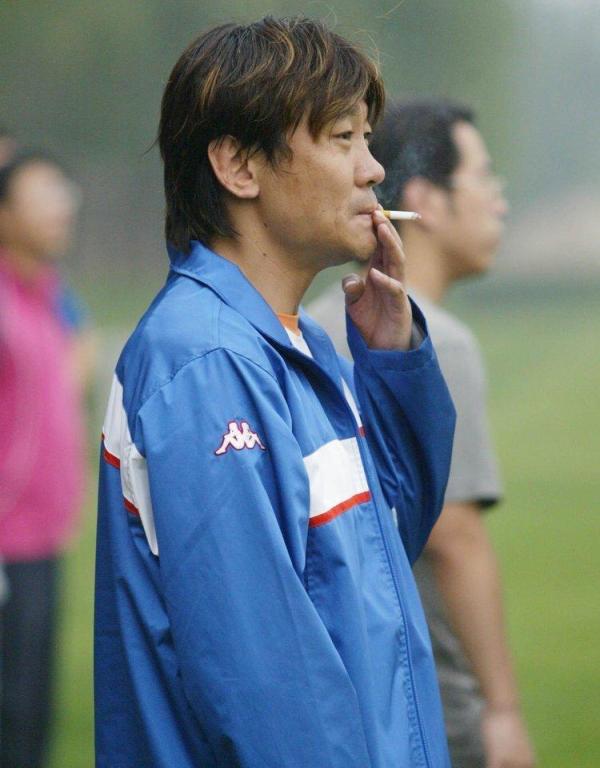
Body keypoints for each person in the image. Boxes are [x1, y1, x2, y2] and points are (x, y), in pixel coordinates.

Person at [95, 17, 457, 768]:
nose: (373, 170)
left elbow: (387, 544)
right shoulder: (206, 362)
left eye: (366, 139)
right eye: (342, 137)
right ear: (238, 166)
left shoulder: (297, 342)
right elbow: (265, 684)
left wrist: (395, 363)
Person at [310, 99, 536, 768]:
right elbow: (455, 540)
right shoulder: (435, 342)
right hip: (428, 691)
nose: (499, 202)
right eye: (484, 178)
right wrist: (502, 711)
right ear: (425, 202)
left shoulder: (316, 322)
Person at [0, 149, 92, 768]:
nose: (59, 209)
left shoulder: (50, 295)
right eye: (40, 197)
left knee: (30, 713)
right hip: (5, 540)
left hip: (44, 536)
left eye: (62, 194)